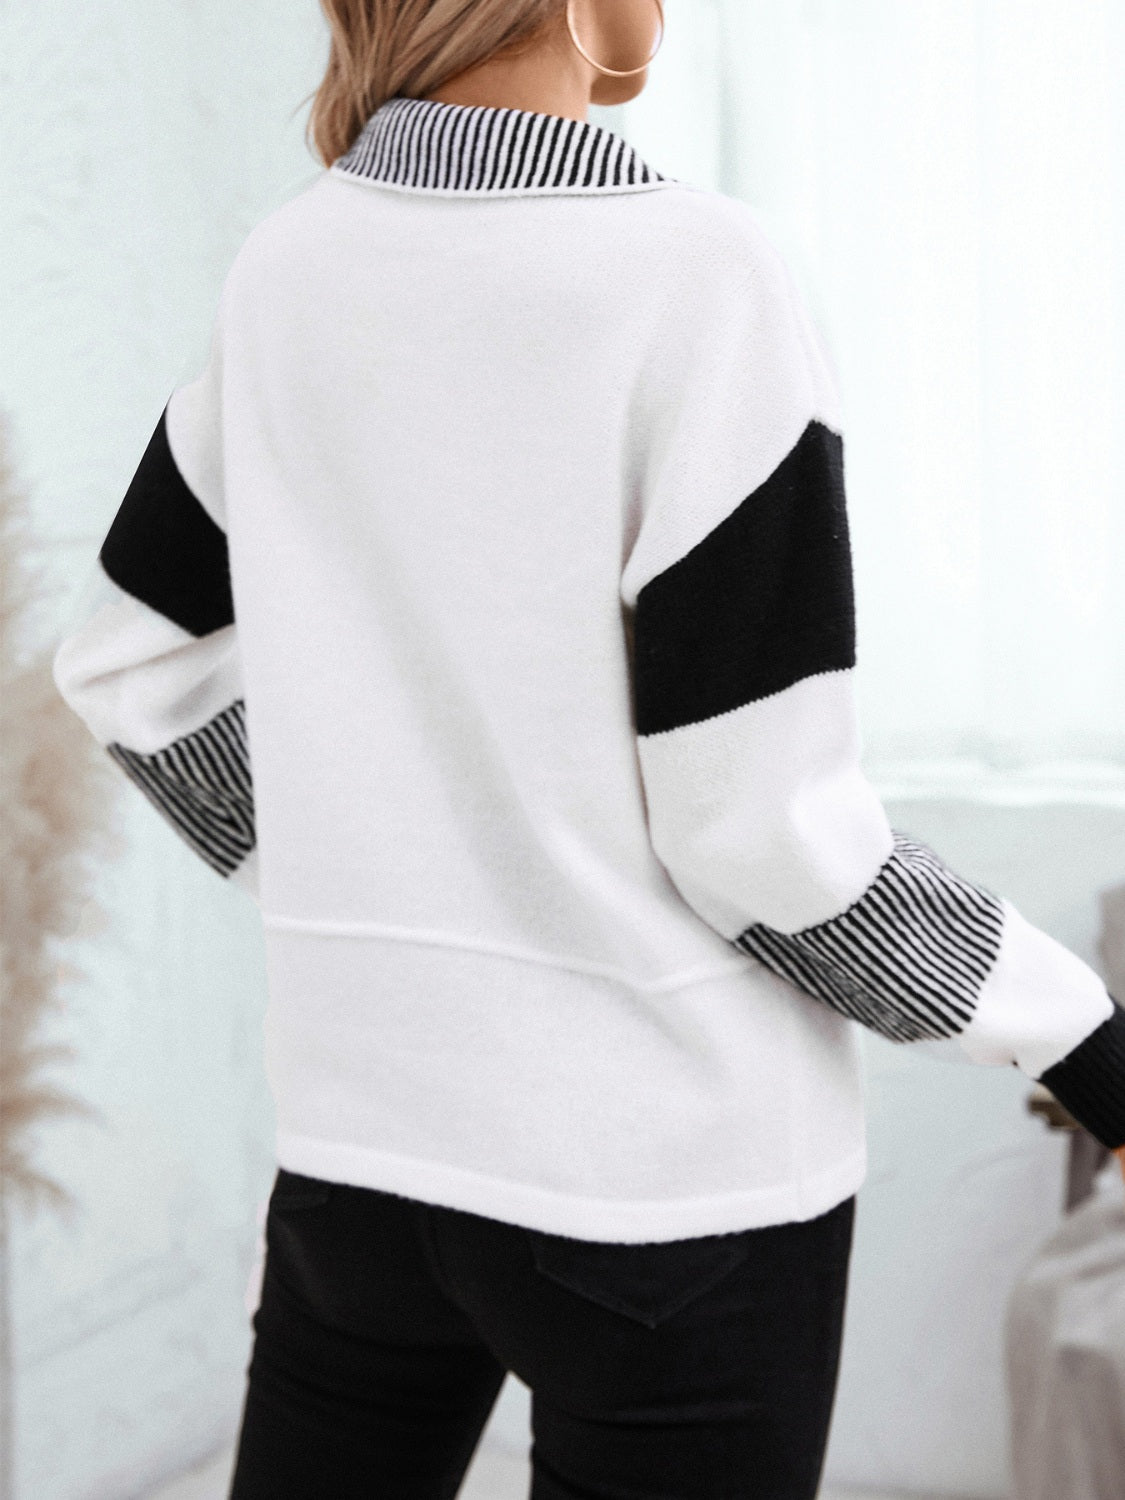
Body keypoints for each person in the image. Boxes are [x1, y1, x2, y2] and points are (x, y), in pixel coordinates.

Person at [50, 1, 1125, 1495]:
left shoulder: (289, 266)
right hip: (670, 1196)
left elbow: (128, 665)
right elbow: (764, 834)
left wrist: (385, 888)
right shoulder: (698, 275)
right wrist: (1086, 1043)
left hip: (365, 1157)